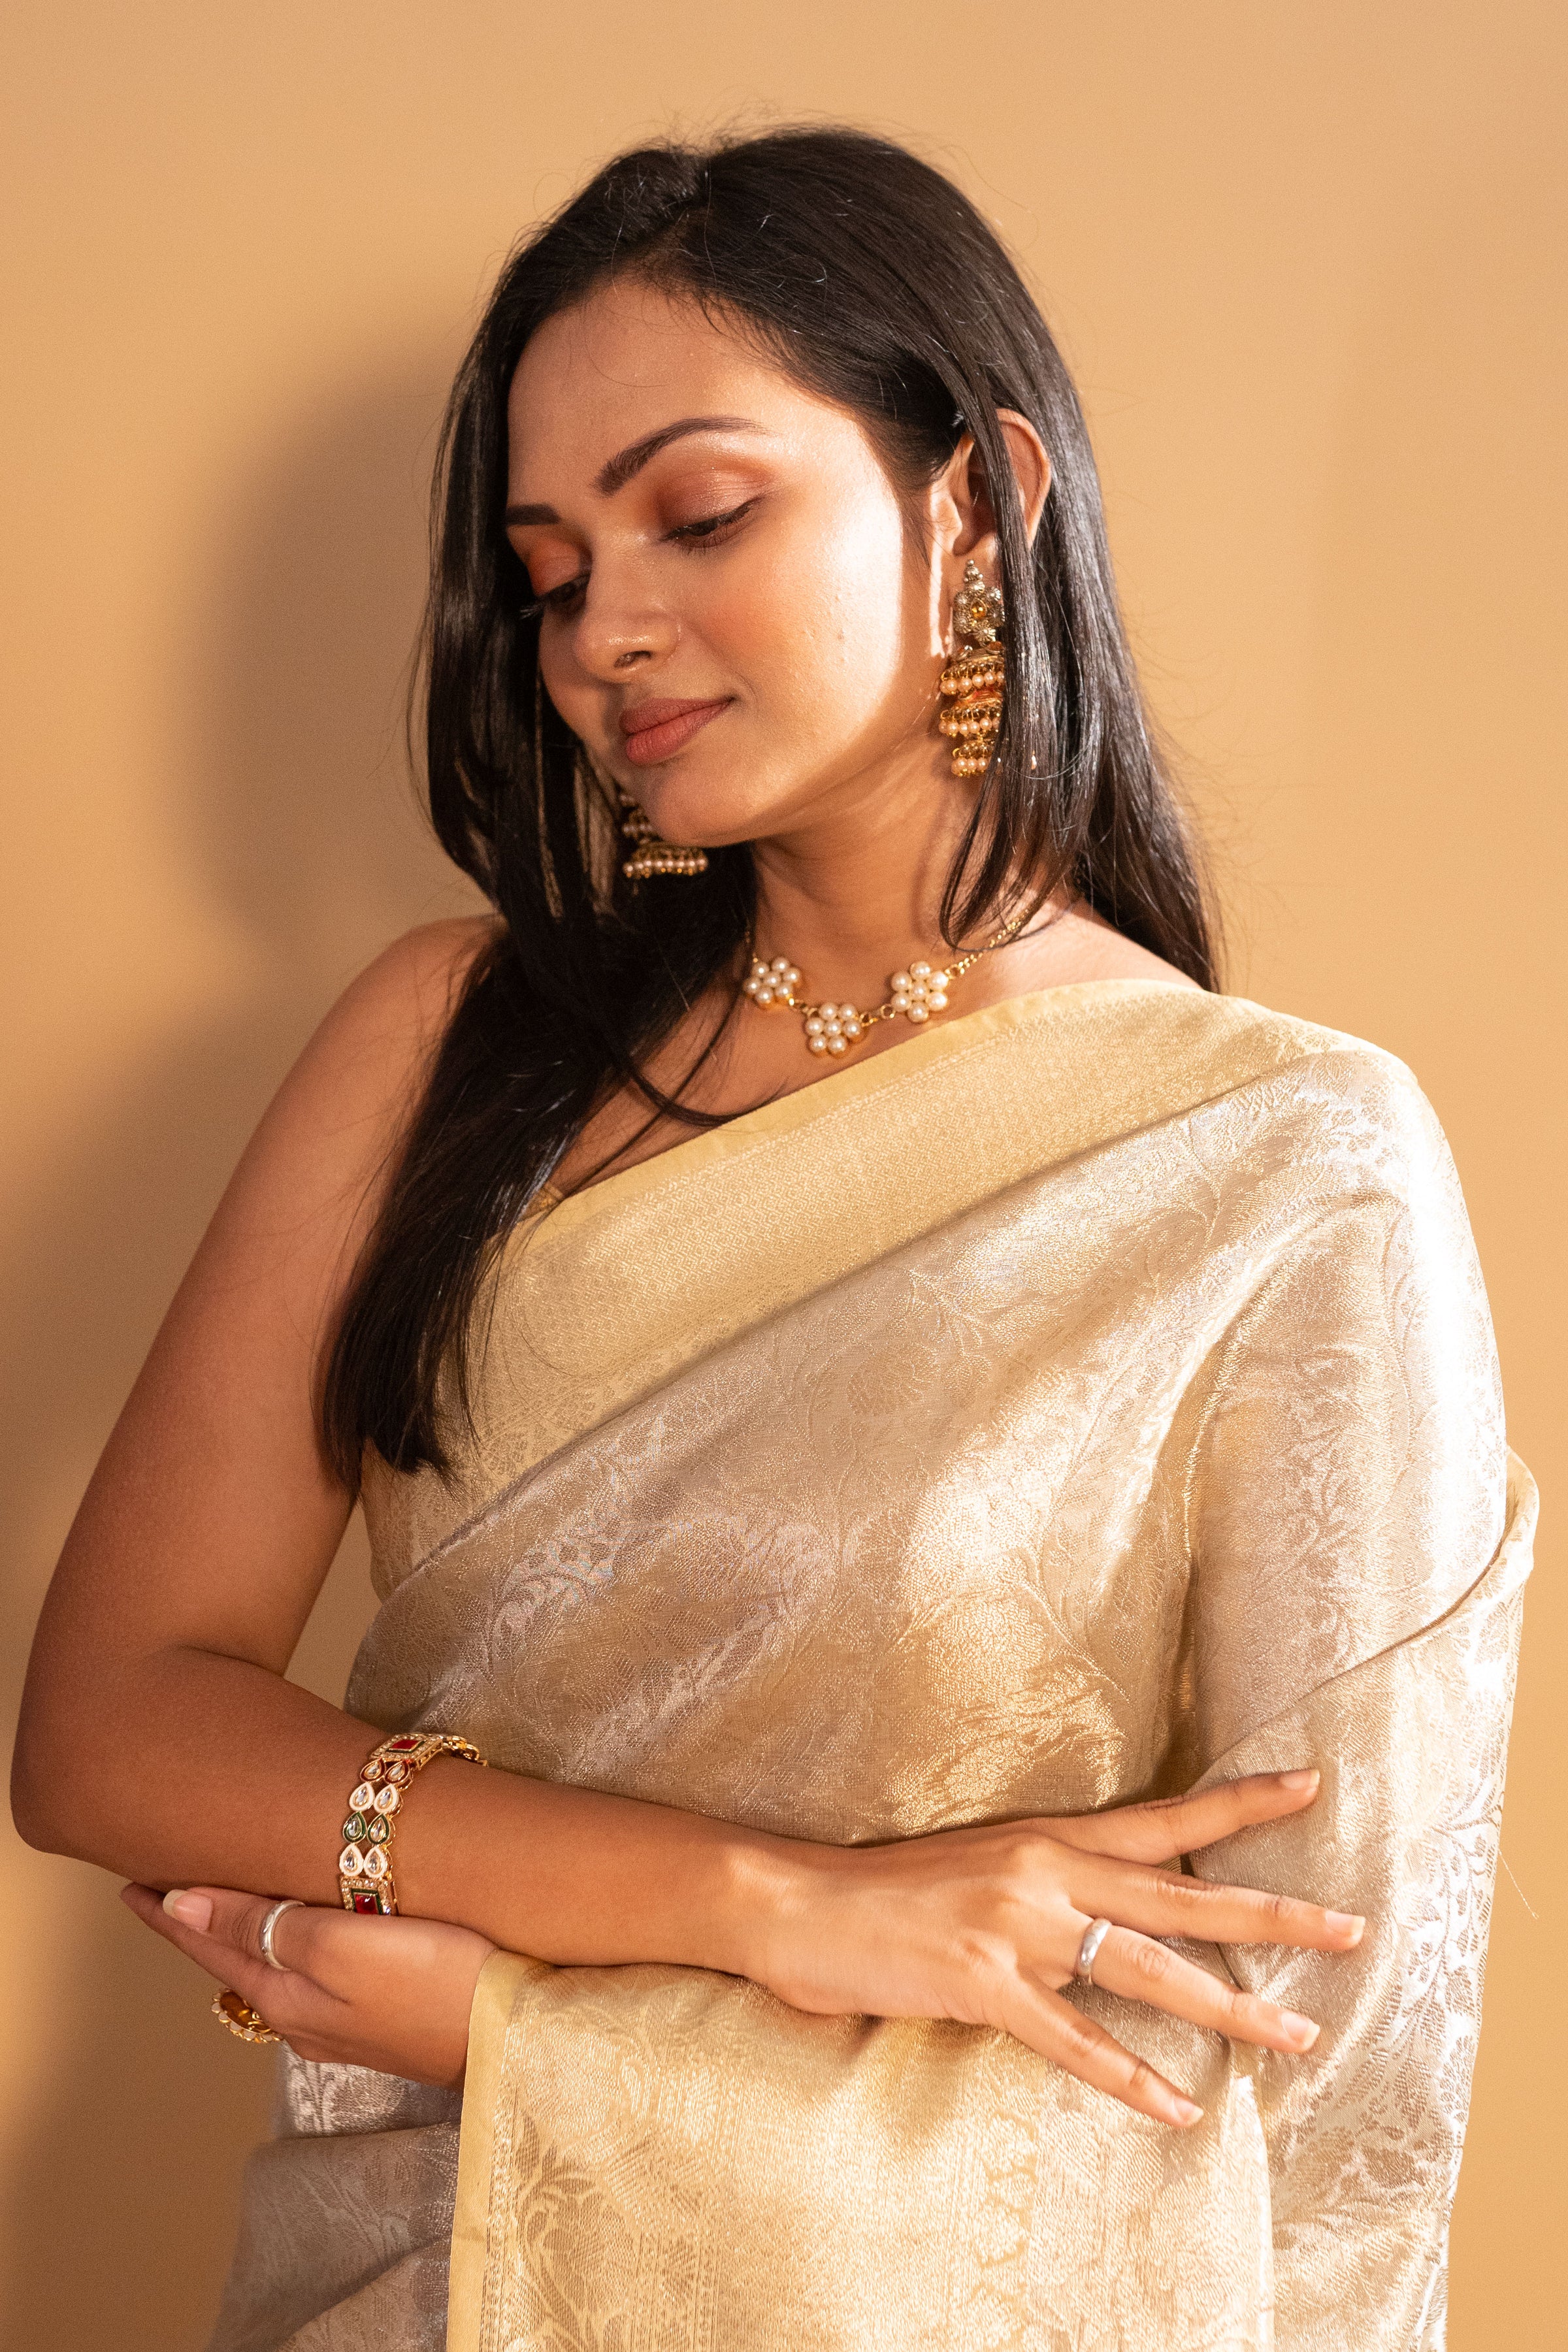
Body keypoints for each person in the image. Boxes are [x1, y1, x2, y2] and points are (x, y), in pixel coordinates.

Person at [12, 127, 1532, 2352]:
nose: (604, 632)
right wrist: (770, 1909)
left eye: (701, 514)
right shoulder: (452, 1049)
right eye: (549, 573)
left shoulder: (1286, 1171)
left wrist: (528, 2034)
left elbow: (1315, 2104)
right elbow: (109, 1726)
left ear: (974, 502)